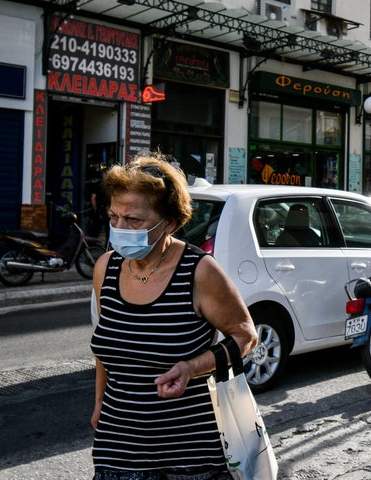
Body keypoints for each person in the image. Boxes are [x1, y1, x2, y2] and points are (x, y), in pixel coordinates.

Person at [89, 153, 258, 480]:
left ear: (170, 222)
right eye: (114, 216)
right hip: (117, 446)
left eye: (134, 220)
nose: (120, 228)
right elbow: (104, 347)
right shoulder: (105, 269)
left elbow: (245, 335)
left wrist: (191, 368)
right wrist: (99, 403)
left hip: (188, 455)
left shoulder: (199, 271)